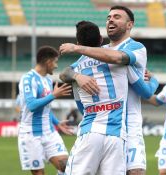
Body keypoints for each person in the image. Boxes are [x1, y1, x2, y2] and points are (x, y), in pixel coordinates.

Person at [59, 6, 152, 175]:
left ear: (129, 24)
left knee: (136, 173)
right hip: (108, 126)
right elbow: (65, 73)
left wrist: (77, 48)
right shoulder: (98, 52)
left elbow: (118, 58)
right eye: (109, 17)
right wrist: (77, 76)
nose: (110, 20)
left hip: (128, 125)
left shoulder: (136, 47)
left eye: (117, 17)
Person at [17, 46, 73, 175]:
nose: (56, 66)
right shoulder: (28, 79)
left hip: (49, 132)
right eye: (55, 62)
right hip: (31, 134)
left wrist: (56, 122)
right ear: (48, 62)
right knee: (39, 173)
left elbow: (45, 108)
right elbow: (31, 105)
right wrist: (53, 95)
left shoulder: (47, 80)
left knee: (68, 167)